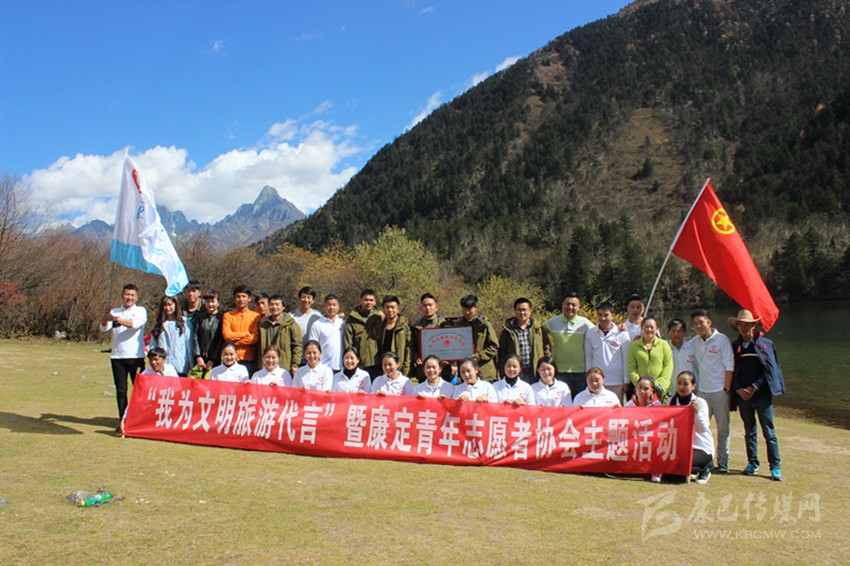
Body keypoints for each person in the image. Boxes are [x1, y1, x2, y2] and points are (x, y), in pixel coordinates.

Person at [729, 309, 786, 481]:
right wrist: (739, 389)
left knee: (769, 431)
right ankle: (753, 463)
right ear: (737, 326)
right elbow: (732, 371)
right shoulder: (735, 346)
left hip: (762, 396)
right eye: (741, 324)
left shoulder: (765, 344)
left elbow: (769, 370)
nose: (744, 327)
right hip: (743, 397)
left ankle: (775, 467)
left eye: (748, 324)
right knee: (749, 431)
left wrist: (754, 387)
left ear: (754, 325)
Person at [688, 308, 734, 474]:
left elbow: (729, 364)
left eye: (701, 322)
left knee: (723, 429)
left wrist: (726, 388)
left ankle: (723, 462)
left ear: (709, 322)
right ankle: (708, 461)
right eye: (695, 324)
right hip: (702, 393)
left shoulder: (721, 340)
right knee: (701, 429)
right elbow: (677, 345)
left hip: (719, 391)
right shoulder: (694, 342)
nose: (698, 326)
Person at [100, 283, 147, 424]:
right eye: (127, 294)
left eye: (132, 295)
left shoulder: (140, 311)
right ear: (122, 295)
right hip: (117, 357)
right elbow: (104, 328)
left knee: (139, 390)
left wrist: (115, 319)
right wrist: (106, 316)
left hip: (135, 357)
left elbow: (134, 324)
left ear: (136, 297)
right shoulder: (115, 311)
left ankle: (140, 420)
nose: (129, 298)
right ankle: (123, 420)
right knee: (121, 391)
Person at [667, 371, 714, 485]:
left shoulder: (700, 402)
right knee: (669, 472)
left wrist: (697, 413)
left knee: (681, 464)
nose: (681, 387)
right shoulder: (671, 402)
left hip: (700, 447)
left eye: (686, 384)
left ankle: (705, 469)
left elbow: (703, 428)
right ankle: (693, 470)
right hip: (680, 448)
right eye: (679, 383)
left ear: (693, 386)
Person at [543, 292, 594, 395]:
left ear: (579, 307)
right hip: (559, 371)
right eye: (567, 304)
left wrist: (619, 329)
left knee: (579, 402)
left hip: (581, 372)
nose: (570, 307)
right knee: (561, 402)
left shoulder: (585, 323)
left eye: (574, 305)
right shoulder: (553, 322)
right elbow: (538, 330)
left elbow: (599, 332)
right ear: (562, 305)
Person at [584, 301, 631, 401]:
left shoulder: (622, 334)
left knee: (615, 407)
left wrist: (626, 381)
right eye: (599, 315)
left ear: (613, 315)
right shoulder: (591, 333)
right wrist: (589, 379)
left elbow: (626, 358)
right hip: (597, 381)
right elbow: (588, 357)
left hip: (616, 381)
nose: (603, 318)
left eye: (606, 315)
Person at [498, 297, 550, 384]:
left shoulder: (538, 328)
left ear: (530, 311)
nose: (522, 313)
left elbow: (546, 347)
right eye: (519, 310)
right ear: (515, 311)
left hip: (536, 372)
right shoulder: (508, 330)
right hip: (516, 372)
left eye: (524, 310)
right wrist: (503, 371)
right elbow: (502, 352)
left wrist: (546, 365)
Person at [626, 316, 673, 401]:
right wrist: (641, 385)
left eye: (652, 327)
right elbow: (631, 368)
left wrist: (659, 384)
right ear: (642, 328)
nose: (649, 329)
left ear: (657, 329)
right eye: (646, 327)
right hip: (641, 391)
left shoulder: (664, 344)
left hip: (660, 389)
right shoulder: (634, 346)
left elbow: (668, 365)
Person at [455, 294, 500, 381]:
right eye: (464, 309)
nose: (467, 312)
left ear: (476, 308)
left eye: (469, 309)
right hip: (465, 373)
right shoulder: (458, 325)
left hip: (485, 372)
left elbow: (494, 346)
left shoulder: (484, 325)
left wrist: (478, 356)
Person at [365, 295, 412, 377]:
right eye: (387, 307)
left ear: (398, 309)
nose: (390, 310)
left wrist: (406, 369)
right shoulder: (380, 326)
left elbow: (408, 350)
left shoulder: (404, 328)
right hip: (382, 368)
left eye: (392, 307)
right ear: (383, 309)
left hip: (398, 368)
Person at [258, 294, 302, 377]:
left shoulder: (291, 324)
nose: (274, 307)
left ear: (283, 307)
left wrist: (295, 364)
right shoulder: (263, 325)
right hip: (266, 366)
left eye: (277, 304)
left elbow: (297, 346)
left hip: (284, 367)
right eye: (272, 304)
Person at [149, 295, 194, 376]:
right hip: (163, 367)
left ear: (176, 305)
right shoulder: (158, 324)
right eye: (165, 305)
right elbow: (153, 346)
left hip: (180, 366)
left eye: (170, 305)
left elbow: (189, 345)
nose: (167, 308)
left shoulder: (184, 322)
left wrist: (192, 367)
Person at [410, 293, 451, 381]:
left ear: (436, 307)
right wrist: (416, 358)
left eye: (430, 305)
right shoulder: (416, 327)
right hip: (423, 370)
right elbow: (412, 346)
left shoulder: (445, 325)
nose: (428, 308)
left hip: (443, 369)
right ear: (421, 308)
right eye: (425, 306)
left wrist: (449, 358)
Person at [221, 285, 261, 375]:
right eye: (238, 296)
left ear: (249, 299)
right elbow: (227, 335)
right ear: (234, 299)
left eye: (244, 296)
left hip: (249, 359)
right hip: (231, 359)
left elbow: (254, 338)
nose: (241, 299)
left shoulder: (256, 316)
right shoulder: (228, 315)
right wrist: (246, 334)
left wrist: (234, 343)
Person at [343, 289, 380, 371]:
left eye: (371, 300)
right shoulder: (352, 319)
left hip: (378, 363)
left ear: (375, 302)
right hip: (359, 364)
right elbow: (348, 343)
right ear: (360, 300)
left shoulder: (380, 318)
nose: (368, 302)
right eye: (366, 300)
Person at [308, 294, 345, 372]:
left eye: (334, 305)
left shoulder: (343, 323)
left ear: (338, 307)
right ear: (324, 307)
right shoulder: (317, 324)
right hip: (323, 367)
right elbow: (312, 347)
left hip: (341, 367)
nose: (331, 307)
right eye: (329, 305)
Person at [193, 290, 224, 377]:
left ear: (218, 302)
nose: (210, 304)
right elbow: (194, 337)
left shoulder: (222, 318)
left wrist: (213, 359)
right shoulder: (200, 317)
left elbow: (221, 340)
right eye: (208, 301)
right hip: (200, 358)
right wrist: (198, 356)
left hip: (216, 359)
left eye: (213, 301)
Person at [667, 318, 695, 397]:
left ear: (684, 332)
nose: (676, 334)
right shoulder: (665, 348)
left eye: (679, 331)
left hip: (689, 389)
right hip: (670, 390)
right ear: (669, 332)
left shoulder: (692, 347)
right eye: (673, 331)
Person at [291, 286, 322, 353]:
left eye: (309, 297)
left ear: (313, 300)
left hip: (312, 355)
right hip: (296, 354)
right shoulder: (291, 317)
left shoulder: (318, 316)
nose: (306, 300)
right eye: (303, 297)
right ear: (299, 299)